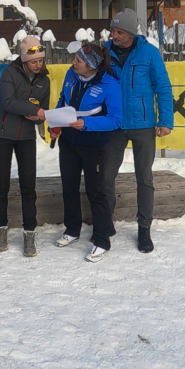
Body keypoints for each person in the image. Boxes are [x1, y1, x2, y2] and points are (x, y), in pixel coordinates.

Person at [102, 8, 174, 253]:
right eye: (113, 30)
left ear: (132, 33)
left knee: (144, 178)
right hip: (113, 125)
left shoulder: (149, 53)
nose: (115, 35)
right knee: (105, 177)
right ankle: (105, 223)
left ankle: (144, 228)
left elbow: (163, 87)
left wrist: (165, 120)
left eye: (120, 32)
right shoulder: (105, 52)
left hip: (143, 125)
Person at [50, 42, 122, 263]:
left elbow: (116, 120)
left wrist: (87, 124)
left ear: (91, 66)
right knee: (69, 187)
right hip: (69, 142)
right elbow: (63, 100)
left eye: (78, 60)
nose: (73, 62)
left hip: (94, 143)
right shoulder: (71, 75)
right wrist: (55, 124)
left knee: (96, 191)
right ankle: (72, 229)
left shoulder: (110, 84)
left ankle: (102, 239)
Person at [0, 36, 51, 256]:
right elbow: (8, 102)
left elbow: (43, 110)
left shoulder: (45, 80)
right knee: (2, 184)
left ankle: (29, 233)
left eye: (41, 60)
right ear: (24, 59)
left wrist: (40, 118)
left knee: (28, 185)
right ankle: (1, 229)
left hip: (26, 136)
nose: (38, 64)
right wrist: (34, 111)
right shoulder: (9, 73)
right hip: (3, 134)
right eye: (34, 61)